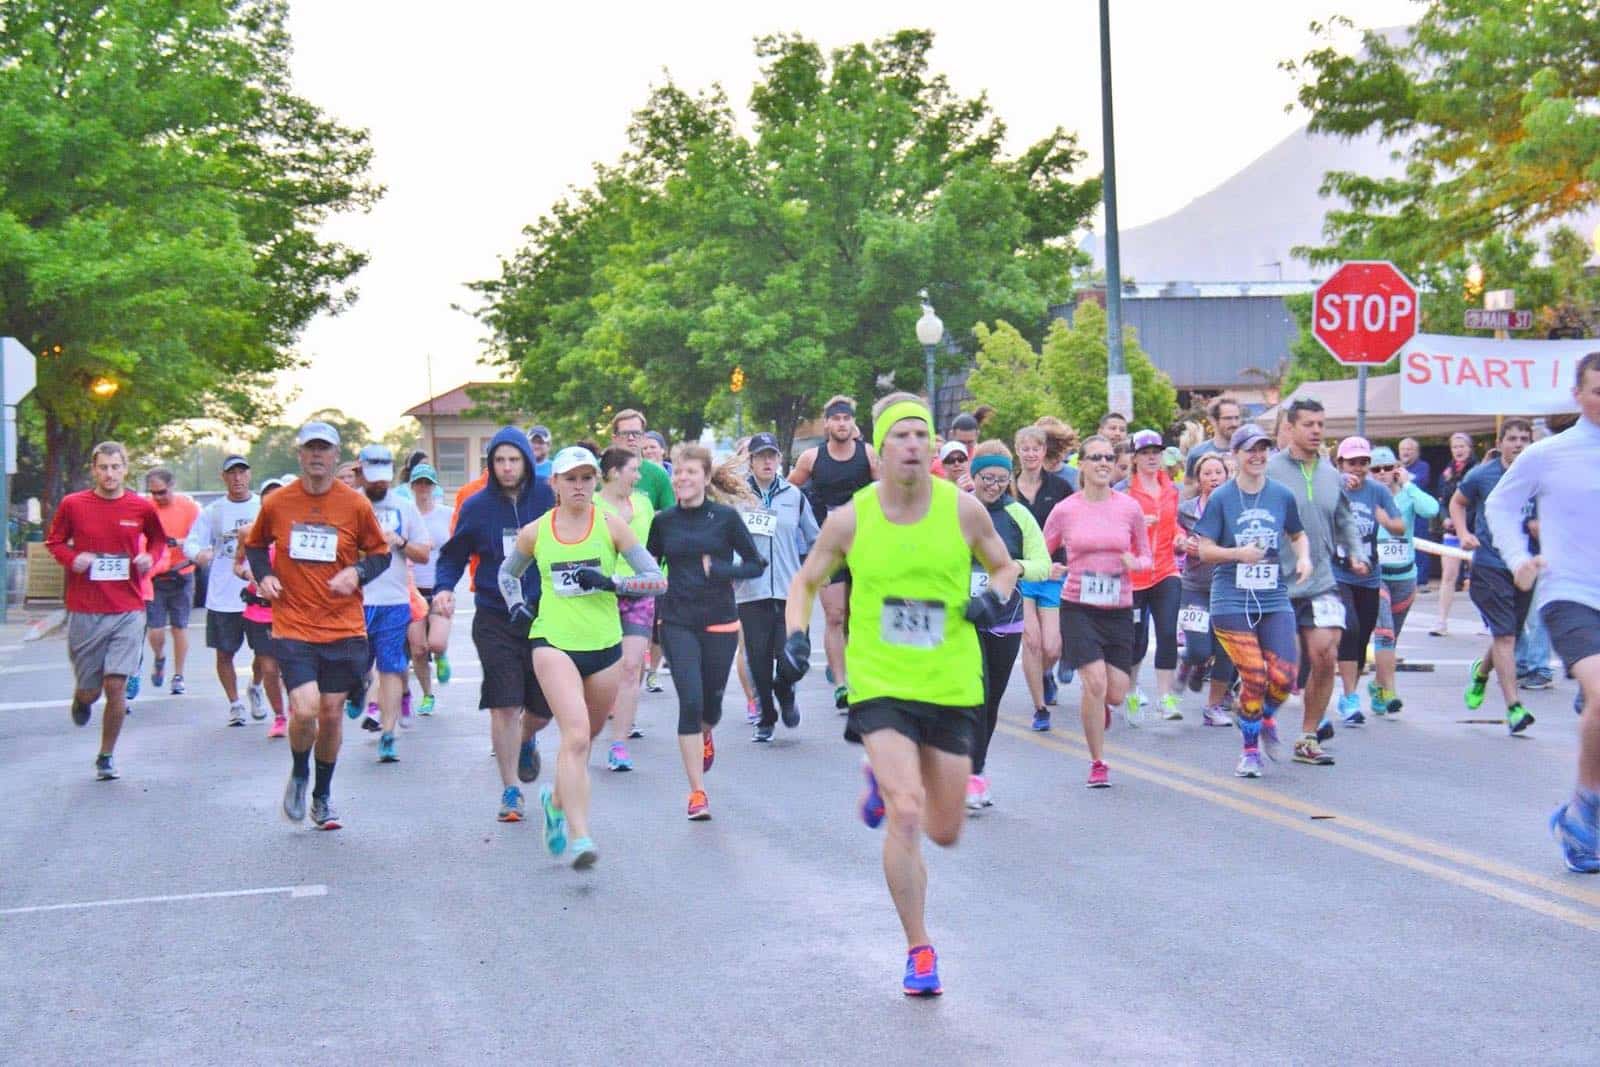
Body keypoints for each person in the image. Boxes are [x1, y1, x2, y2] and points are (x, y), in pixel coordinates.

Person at [779, 392, 1019, 995]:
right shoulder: (851, 517)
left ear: (933, 449)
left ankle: (885, 783)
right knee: (907, 812)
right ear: (878, 453)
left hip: (951, 681)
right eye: (900, 437)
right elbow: (805, 582)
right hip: (880, 680)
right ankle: (919, 949)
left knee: (945, 830)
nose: (913, 445)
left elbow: (1003, 565)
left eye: (921, 435)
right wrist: (794, 635)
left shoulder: (963, 510)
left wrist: (997, 594)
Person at [499, 446, 666, 869]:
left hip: (605, 648)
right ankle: (580, 837)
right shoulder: (536, 532)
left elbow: (656, 581)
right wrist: (517, 606)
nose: (579, 486)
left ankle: (556, 804)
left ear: (596, 482)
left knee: (584, 741)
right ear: (553, 483)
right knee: (574, 736)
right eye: (570, 478)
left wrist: (612, 582)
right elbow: (507, 574)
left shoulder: (612, 527)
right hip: (553, 642)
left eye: (586, 478)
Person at [243, 421, 392, 831]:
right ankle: (299, 771)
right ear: (299, 454)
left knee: (330, 714)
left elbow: (381, 553)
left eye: (324, 449)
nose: (316, 456)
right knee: (305, 708)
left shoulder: (355, 505)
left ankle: (322, 795)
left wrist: (358, 573)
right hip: (293, 624)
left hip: (342, 625)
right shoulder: (278, 504)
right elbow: (255, 546)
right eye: (310, 448)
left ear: (336, 456)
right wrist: (264, 577)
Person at [1486, 352, 1600, 872]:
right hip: (1570, 592)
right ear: (1577, 394)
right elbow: (1501, 506)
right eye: (1597, 390)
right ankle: (1585, 811)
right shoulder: (1551, 453)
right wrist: (1516, 559)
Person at [432, 426, 557, 821]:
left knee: (544, 706)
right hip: (495, 614)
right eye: (499, 460)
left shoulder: (547, 498)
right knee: (504, 703)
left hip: (545, 614)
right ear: (491, 464)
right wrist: (443, 588)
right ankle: (510, 790)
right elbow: (453, 555)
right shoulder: (476, 506)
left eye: (514, 460)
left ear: (527, 461)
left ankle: (526, 738)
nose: (506, 468)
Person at [647, 444, 765, 818]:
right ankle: (697, 792)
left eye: (690, 473)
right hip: (677, 620)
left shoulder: (725, 519)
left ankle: (706, 732)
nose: (682, 478)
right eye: (678, 473)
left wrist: (721, 570)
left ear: (705, 477)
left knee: (709, 707)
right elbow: (650, 566)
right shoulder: (663, 521)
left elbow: (755, 564)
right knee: (690, 702)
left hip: (720, 620)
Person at [1194, 425, 1313, 777]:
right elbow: (1203, 550)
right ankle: (1249, 752)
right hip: (1230, 598)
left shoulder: (1281, 495)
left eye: (1263, 448)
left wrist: (1303, 557)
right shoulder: (1221, 498)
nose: (1258, 456)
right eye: (1250, 450)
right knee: (1255, 676)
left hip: (1273, 595)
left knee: (1285, 676)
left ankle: (1262, 718)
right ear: (1236, 456)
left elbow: (1297, 533)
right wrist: (1237, 553)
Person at [45, 441, 166, 780]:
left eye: (116, 467)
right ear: (94, 470)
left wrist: (148, 559)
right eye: (103, 468)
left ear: (126, 468)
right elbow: (54, 542)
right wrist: (73, 559)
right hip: (86, 608)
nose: (110, 474)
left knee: (116, 686)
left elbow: (158, 541)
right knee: (92, 689)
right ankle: (82, 700)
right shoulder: (74, 505)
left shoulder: (140, 507)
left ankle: (106, 755)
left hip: (128, 607)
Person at [1043, 434, 1152, 787]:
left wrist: (1135, 562)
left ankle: (1100, 705)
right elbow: (1041, 552)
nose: (1104, 463)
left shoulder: (1129, 508)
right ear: (1083, 465)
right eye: (1096, 458)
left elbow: (1147, 555)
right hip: (1078, 606)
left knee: (1116, 692)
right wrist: (1051, 568)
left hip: (1119, 607)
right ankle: (1098, 762)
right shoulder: (1066, 510)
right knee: (1094, 683)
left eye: (1109, 457)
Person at [1265, 398, 1363, 764]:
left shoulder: (1331, 475)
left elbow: (1345, 519)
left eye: (1321, 424)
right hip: (1275, 583)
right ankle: (1259, 716)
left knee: (1326, 655)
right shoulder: (1270, 470)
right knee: (1283, 668)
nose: (1317, 431)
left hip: (1321, 581)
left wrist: (1356, 552)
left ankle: (1308, 736)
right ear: (1290, 428)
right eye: (1309, 424)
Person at [966, 441, 1050, 809]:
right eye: (988, 477)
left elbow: (1042, 563)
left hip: (1005, 618)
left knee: (990, 702)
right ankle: (964, 770)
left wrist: (1016, 567)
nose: (995, 485)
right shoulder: (957, 509)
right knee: (970, 695)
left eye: (1002, 478)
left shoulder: (1018, 514)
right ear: (974, 476)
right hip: (961, 618)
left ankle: (976, 770)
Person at [788, 395, 880, 710]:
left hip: (865, 545)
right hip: (829, 546)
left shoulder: (868, 455)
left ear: (853, 423)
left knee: (862, 616)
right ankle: (842, 685)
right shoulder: (812, 458)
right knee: (835, 616)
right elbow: (789, 493)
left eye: (846, 419)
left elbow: (888, 494)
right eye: (836, 419)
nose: (841, 424)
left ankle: (856, 673)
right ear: (827, 423)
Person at [1450, 418, 1538, 734]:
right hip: (1489, 563)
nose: (1518, 444)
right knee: (1506, 636)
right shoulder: (1483, 475)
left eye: (1524, 439)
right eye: (1512, 438)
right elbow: (1457, 502)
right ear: (1500, 443)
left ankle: (1481, 673)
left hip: (1524, 567)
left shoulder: (1538, 475)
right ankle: (1514, 707)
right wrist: (1463, 533)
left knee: (1508, 633)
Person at [734, 432, 819, 743]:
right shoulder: (738, 497)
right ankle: (766, 718)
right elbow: (727, 538)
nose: (767, 461)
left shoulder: (794, 496)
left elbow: (815, 538)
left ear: (779, 460)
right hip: (750, 591)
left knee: (794, 658)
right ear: (752, 461)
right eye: (761, 456)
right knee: (757, 661)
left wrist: (814, 573)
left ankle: (785, 689)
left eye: (772, 456)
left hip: (790, 591)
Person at [352, 445, 431, 763]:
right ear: (361, 473)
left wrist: (399, 542)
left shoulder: (404, 507)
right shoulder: (348, 505)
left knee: (391, 667)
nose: (379, 485)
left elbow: (424, 552)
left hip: (394, 600)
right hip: (354, 601)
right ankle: (356, 690)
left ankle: (388, 734)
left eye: (384, 479)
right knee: (355, 667)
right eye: (373, 479)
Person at [1329, 436, 1407, 730]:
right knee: (1350, 628)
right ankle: (1350, 698)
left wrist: (1385, 520)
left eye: (1363, 462)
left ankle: (1351, 691)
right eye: (1352, 463)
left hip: (1370, 574)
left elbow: (1400, 526)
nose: (1358, 468)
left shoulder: (1377, 491)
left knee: (1362, 638)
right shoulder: (1331, 488)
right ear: (1340, 464)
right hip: (1338, 573)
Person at [183, 454, 262, 726]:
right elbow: (191, 543)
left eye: (242, 472)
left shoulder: (263, 507)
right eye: (232, 473)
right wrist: (199, 554)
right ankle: (235, 703)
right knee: (224, 652)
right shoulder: (213, 512)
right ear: (224, 477)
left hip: (258, 592)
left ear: (249, 475)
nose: (237, 478)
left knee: (265, 653)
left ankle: (257, 685)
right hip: (223, 595)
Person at [595, 446, 656, 769]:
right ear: (615, 472)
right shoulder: (591, 505)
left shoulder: (644, 504)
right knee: (601, 670)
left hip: (639, 592)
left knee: (632, 666)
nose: (638, 476)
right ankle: (586, 733)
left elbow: (655, 546)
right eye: (634, 469)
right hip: (599, 594)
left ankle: (619, 744)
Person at [1367, 446, 1438, 716]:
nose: (1383, 474)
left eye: (1388, 468)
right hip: (1378, 576)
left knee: (1391, 638)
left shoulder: (1408, 495)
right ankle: (1390, 691)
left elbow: (1431, 510)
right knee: (1383, 633)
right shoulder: (1368, 498)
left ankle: (1377, 686)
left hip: (1405, 576)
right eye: (1377, 469)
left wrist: (1409, 485)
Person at [1013, 425, 1073, 726]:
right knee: (1032, 642)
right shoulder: (1008, 487)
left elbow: (1073, 527)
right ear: (1018, 452)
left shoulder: (1060, 488)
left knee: (1052, 646)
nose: (1031, 454)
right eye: (1025, 448)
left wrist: (1069, 561)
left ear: (1044, 451)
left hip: (1053, 572)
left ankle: (1046, 672)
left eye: (1036, 448)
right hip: (1021, 574)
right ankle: (1040, 709)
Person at [1124, 429, 1184, 723]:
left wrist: (1181, 537)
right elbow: (1113, 531)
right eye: (1145, 453)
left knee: (1168, 632)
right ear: (1134, 458)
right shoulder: (1124, 491)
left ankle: (1165, 696)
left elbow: (1176, 525)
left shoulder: (1171, 489)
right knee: (1136, 638)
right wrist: (1138, 525)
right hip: (1135, 574)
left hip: (1165, 570)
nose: (1151, 458)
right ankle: (1132, 691)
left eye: (1156, 453)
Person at [1176, 452, 1238, 727]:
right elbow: (1173, 536)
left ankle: (1213, 706)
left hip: (1228, 587)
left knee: (1227, 648)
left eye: (1218, 473)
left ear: (1227, 476)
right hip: (1195, 587)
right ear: (1199, 480)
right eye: (1207, 474)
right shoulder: (1186, 509)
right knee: (1201, 647)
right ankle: (1192, 661)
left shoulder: (1237, 507)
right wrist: (1183, 543)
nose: (1214, 478)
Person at [142, 467, 201, 695]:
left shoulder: (188, 508)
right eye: (154, 493)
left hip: (182, 573)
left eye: (162, 492)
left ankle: (179, 675)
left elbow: (199, 537)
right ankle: (159, 657)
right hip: (155, 576)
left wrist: (180, 542)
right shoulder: (146, 508)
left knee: (179, 626)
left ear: (172, 486)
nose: (158, 497)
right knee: (155, 630)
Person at [239, 477, 289, 738]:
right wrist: (247, 573)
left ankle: (298, 708)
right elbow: (238, 564)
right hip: (259, 611)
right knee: (269, 667)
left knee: (292, 665)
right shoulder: (250, 532)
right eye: (268, 499)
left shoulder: (297, 532)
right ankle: (280, 716)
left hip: (290, 610)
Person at [406, 463, 453, 715]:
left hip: (440, 588)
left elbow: (460, 544)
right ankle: (427, 695)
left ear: (434, 487)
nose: (423, 488)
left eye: (427, 483)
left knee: (434, 643)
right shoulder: (406, 513)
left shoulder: (447, 514)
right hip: (413, 589)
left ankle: (442, 654)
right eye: (419, 483)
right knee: (418, 648)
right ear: (412, 486)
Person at [1430, 431, 1477, 636]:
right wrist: (1445, 518)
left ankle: (1487, 622)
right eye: (1455, 447)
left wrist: (1466, 523)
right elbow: (1441, 500)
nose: (1458, 450)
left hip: (1474, 530)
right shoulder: (1447, 472)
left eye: (1462, 446)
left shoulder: (1477, 470)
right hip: (1451, 531)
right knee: (1448, 576)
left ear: (1470, 448)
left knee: (1480, 577)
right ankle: (1441, 621)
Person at [607, 409, 674, 512]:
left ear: (643, 437)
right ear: (614, 438)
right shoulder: (597, 471)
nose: (631, 438)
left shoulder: (659, 474)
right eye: (625, 433)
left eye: (636, 433)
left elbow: (670, 517)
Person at [1397, 437, 1433, 588]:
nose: (1406, 452)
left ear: (1417, 452)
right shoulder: (1394, 467)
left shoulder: (1423, 466)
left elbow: (1419, 483)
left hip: (1418, 514)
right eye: (1403, 449)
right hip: (1401, 513)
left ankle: (1422, 581)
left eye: (1409, 449)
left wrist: (1403, 481)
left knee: (1421, 546)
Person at [1185, 396, 1243, 478]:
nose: (1234, 423)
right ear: (1213, 420)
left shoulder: (1249, 451)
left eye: (1237, 418)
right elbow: (1190, 487)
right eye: (1228, 418)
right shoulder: (1197, 454)